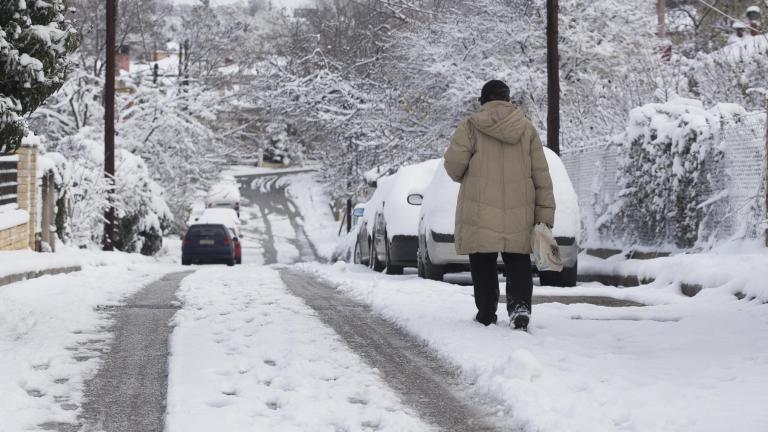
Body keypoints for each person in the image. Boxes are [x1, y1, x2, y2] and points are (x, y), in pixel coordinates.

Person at [443, 80, 555, 330]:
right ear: (508, 100)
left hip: (480, 209)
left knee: (482, 261)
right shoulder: (526, 129)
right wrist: (545, 214)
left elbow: (453, 166)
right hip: (520, 210)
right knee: (518, 260)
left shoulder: (470, 127)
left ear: (482, 101)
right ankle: (520, 309)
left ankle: (486, 312)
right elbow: (542, 175)